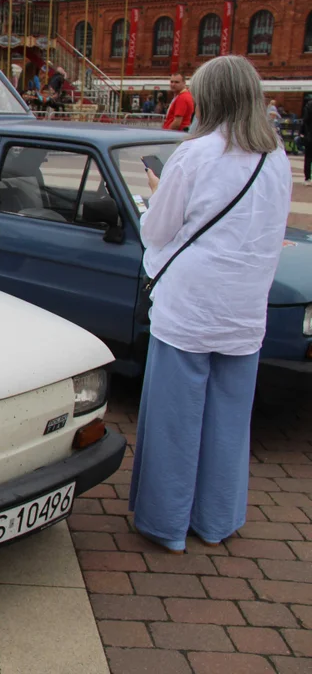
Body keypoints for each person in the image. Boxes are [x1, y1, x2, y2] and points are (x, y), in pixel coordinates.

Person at [129, 55, 292, 554]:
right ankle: (217, 518)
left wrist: (154, 197)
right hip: (244, 308)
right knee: (228, 423)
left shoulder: (195, 154)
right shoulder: (276, 156)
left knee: (176, 419)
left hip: (191, 307)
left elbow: (157, 231)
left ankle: (167, 524)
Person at [303, 96, 312, 186]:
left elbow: (305, 120)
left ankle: (307, 178)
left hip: (309, 136)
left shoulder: (308, 105)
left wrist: (302, 132)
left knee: (308, 158)